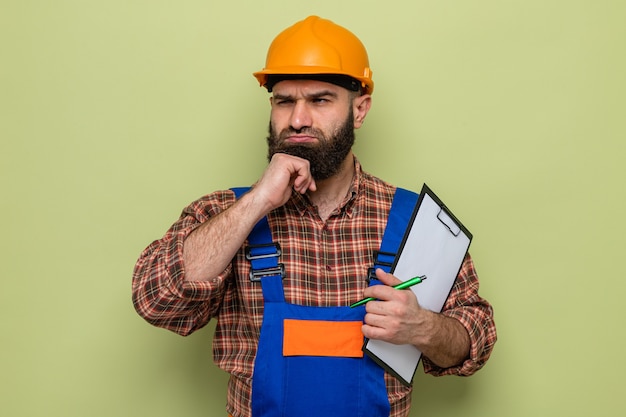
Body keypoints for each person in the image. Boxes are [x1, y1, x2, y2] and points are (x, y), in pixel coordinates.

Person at [132, 15, 496, 417]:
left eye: (320, 100)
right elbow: (156, 301)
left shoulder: (413, 220)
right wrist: (257, 203)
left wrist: (423, 327)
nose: (298, 119)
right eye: (284, 101)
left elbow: (476, 339)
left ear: (359, 110)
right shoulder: (224, 213)